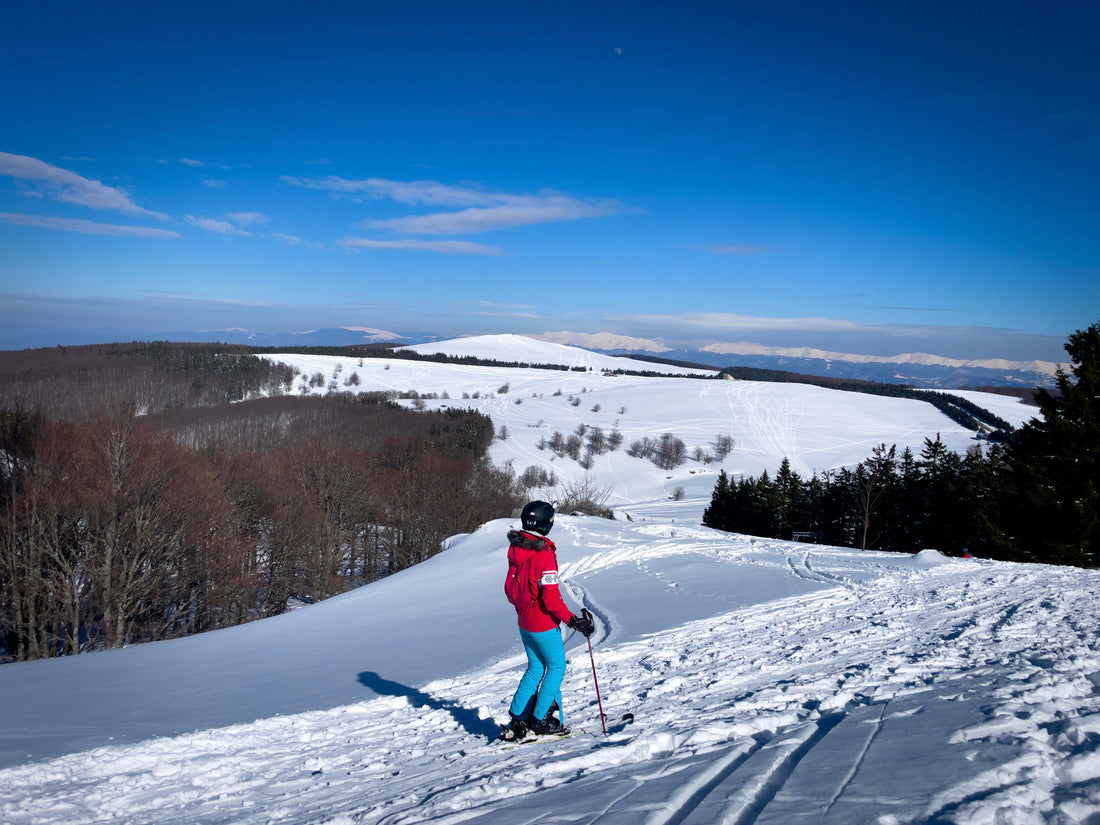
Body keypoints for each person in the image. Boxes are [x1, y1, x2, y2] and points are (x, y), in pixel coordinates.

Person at [502, 500, 595, 739]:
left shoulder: (517, 548)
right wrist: (573, 621)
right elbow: (551, 598)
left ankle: (518, 719)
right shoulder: (544, 554)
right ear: (547, 524)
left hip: (524, 620)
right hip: (542, 623)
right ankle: (540, 719)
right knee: (556, 666)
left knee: (535, 668)